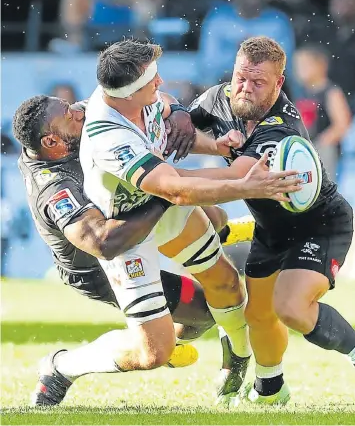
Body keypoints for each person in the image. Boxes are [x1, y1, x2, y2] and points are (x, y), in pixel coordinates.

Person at [77, 39, 301, 406]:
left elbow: (163, 109)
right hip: (128, 231)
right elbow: (177, 188)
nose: (160, 82)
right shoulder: (109, 136)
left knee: (227, 283)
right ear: (130, 92)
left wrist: (205, 138)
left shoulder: (131, 93)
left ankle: (238, 358)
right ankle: (64, 366)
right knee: (154, 353)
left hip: (162, 208)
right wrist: (247, 186)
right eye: (153, 80)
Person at [187, 36, 355, 409]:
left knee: (291, 307)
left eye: (257, 83)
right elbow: (180, 123)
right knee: (257, 315)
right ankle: (271, 389)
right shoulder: (219, 97)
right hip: (272, 230)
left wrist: (159, 177)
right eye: (240, 78)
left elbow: (233, 181)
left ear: (278, 84)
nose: (244, 89)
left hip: (320, 225)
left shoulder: (281, 126)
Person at [12, 94, 248, 406]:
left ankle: (161, 323)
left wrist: (176, 112)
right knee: (156, 351)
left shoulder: (75, 122)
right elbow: (103, 243)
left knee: (213, 222)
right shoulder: (54, 188)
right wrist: (165, 194)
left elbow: (143, 99)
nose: (80, 114)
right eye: (70, 116)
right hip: (101, 269)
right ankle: (61, 367)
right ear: (52, 142)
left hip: (135, 233)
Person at [294, 45, 351, 182]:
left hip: (324, 149)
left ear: (321, 65)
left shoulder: (331, 92)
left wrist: (321, 143)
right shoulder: (302, 92)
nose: (300, 70)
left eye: (305, 65)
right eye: (297, 65)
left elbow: (343, 124)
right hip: (307, 148)